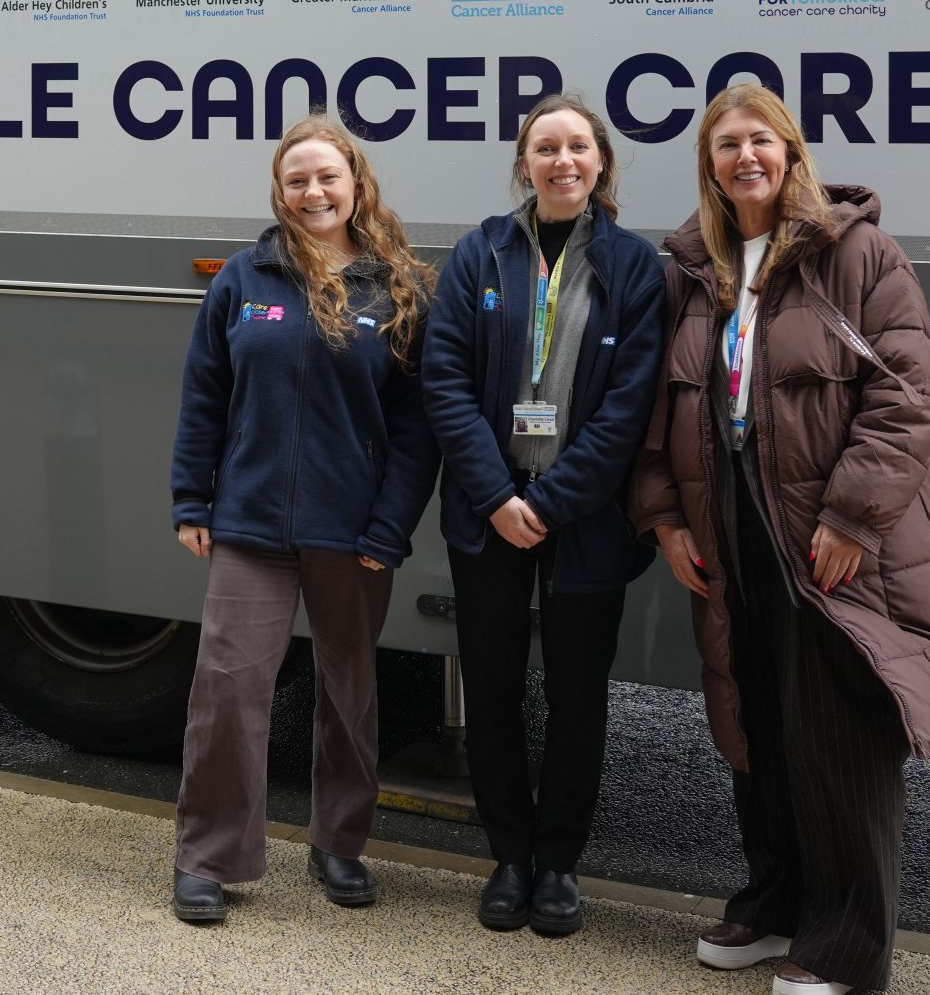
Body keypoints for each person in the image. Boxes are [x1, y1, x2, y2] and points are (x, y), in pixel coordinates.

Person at [628, 83, 930, 995]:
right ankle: (775, 896)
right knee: (760, 713)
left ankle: (850, 942)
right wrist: (665, 515)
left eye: (760, 140)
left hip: (826, 531)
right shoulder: (695, 267)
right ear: (708, 162)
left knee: (837, 728)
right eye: (725, 144)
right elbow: (656, 406)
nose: (743, 156)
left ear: (790, 151)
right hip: (728, 522)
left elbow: (905, 393)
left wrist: (852, 517)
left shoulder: (858, 254)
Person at [168, 115, 438, 924]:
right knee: (227, 687)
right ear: (279, 192)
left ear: (356, 183)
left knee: (348, 691)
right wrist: (191, 497)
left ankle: (339, 842)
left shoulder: (397, 287)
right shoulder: (245, 279)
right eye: (297, 180)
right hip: (249, 522)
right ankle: (210, 858)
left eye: (328, 176)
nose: (313, 191)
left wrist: (390, 525)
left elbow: (419, 427)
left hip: (353, 532)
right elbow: (203, 392)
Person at [421, 93, 667, 937]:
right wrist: (496, 496)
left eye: (578, 147)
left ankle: (559, 862)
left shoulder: (635, 267)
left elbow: (631, 404)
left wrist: (553, 501)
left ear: (601, 163)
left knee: (577, 696)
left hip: (583, 518)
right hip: (489, 512)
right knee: (491, 688)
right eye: (544, 147)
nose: (562, 161)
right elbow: (443, 379)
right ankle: (510, 856)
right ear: (523, 163)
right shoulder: (479, 252)